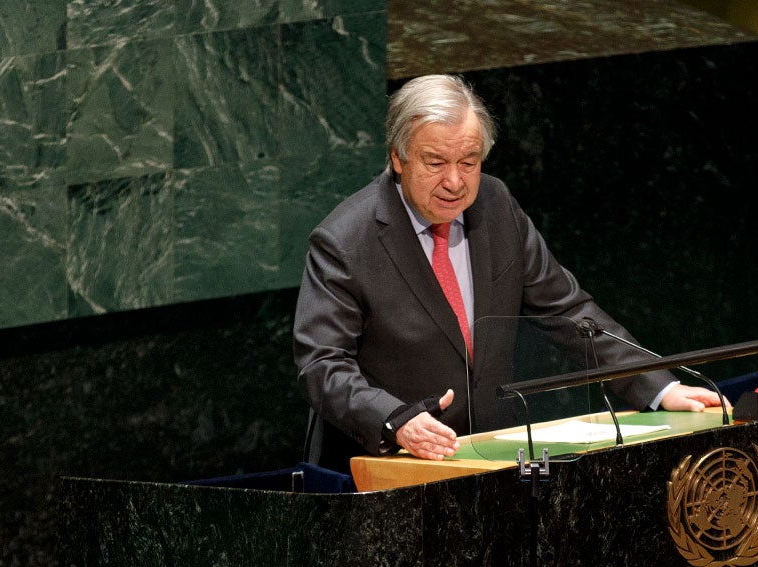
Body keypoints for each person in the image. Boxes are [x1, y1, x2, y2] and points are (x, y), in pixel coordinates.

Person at [293, 74, 724, 474]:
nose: (455, 181)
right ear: (398, 158)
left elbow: (568, 310)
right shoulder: (345, 240)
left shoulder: (495, 205)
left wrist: (658, 386)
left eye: (469, 161)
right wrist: (394, 420)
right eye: (435, 162)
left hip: (489, 458)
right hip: (385, 468)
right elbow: (322, 364)